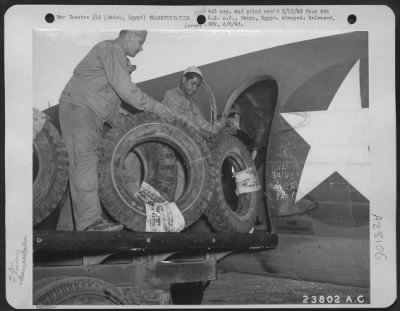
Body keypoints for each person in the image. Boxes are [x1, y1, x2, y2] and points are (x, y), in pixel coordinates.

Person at [58, 30, 172, 231]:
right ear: (128, 34)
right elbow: (126, 90)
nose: (141, 47)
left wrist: (128, 125)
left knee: (80, 165)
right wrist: (156, 107)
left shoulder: (113, 55)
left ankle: (67, 228)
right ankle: (89, 223)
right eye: (140, 41)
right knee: (85, 161)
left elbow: (110, 106)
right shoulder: (112, 49)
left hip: (90, 111)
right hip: (80, 108)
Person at [162, 66, 226, 138]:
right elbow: (177, 120)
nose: (195, 88)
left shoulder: (193, 103)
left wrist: (217, 128)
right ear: (183, 80)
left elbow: (202, 123)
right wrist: (199, 130)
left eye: (197, 86)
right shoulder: (171, 95)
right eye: (193, 83)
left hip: (189, 142)